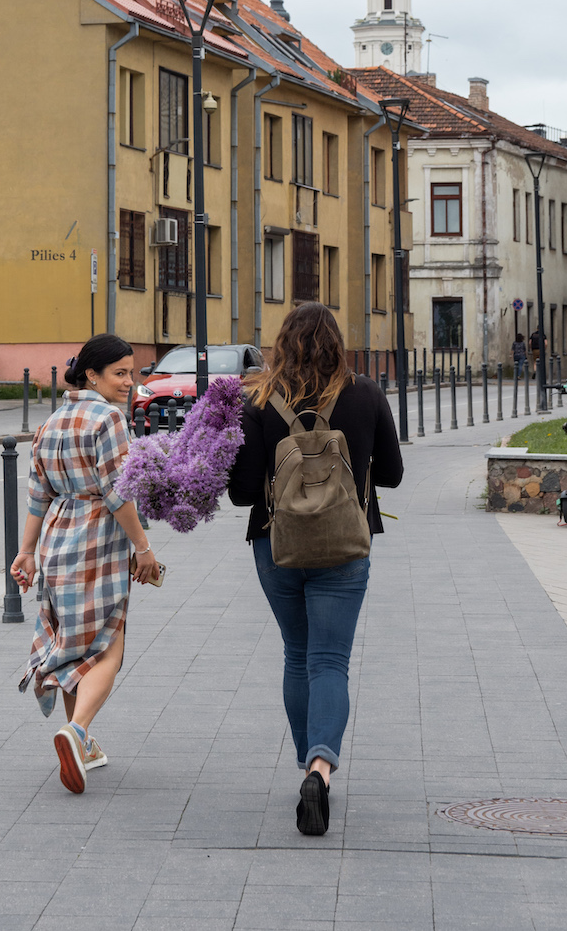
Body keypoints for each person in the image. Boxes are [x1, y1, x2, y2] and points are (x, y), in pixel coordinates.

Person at [228, 303, 404, 836]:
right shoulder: (367, 394)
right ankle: (320, 768)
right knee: (330, 659)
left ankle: (309, 763)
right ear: (336, 342)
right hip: (345, 546)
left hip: (274, 545)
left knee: (297, 653)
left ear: (282, 344)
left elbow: (240, 492)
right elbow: (392, 475)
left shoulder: (257, 400)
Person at [11, 333, 158, 795]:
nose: (129, 382)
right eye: (120, 373)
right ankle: (75, 732)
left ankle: (83, 742)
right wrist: (144, 548)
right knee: (109, 646)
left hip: (58, 541)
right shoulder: (109, 419)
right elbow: (118, 493)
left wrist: (26, 552)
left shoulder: (52, 421)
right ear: (91, 375)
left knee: (75, 646)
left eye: (132, 373)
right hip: (99, 539)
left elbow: (38, 494)